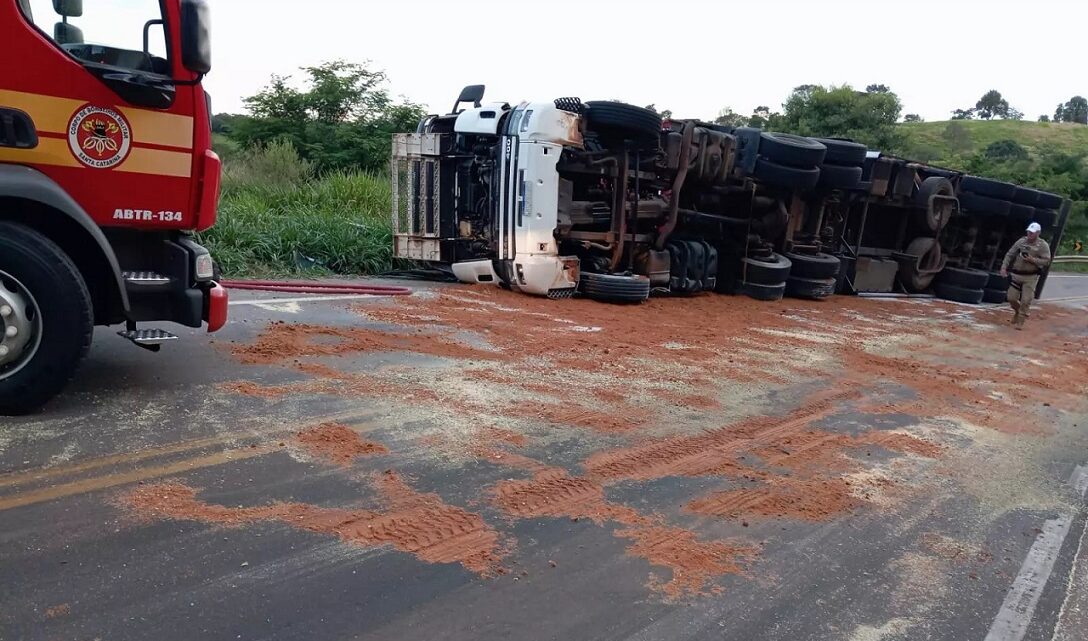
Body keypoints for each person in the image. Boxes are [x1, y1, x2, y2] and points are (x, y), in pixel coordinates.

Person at [999, 222, 1051, 329]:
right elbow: (1010, 254)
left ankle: (1020, 322)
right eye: (1028, 232)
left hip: (1030, 276)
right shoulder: (1021, 242)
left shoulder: (1042, 245)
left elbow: (1046, 261)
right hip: (1017, 274)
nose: (1029, 234)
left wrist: (1034, 260)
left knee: (1026, 300)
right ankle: (1018, 311)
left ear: (1038, 233)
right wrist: (1004, 267)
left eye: (1032, 233)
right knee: (1011, 298)